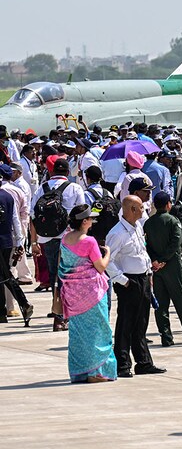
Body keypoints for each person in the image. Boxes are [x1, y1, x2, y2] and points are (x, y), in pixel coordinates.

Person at [106, 195, 166, 377]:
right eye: (141, 208)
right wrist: (122, 280)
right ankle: (122, 364)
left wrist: (148, 274)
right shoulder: (117, 233)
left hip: (143, 279)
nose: (144, 210)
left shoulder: (137, 227)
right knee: (126, 323)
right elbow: (108, 260)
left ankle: (143, 362)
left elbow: (142, 251)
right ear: (131, 210)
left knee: (141, 323)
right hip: (128, 282)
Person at [58, 205, 117, 382]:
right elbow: (100, 267)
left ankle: (81, 371)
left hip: (73, 295)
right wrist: (107, 253)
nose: (92, 221)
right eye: (90, 218)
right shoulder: (89, 241)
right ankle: (96, 372)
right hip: (92, 293)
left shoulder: (65, 239)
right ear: (84, 221)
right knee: (99, 331)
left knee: (78, 334)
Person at [144, 192, 182, 348]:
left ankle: (166, 336)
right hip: (172, 266)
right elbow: (176, 242)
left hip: (156, 268)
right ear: (168, 204)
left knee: (161, 304)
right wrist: (164, 259)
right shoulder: (173, 221)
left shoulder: (148, 223)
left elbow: (146, 245)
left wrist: (155, 261)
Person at [30, 157, 85, 331]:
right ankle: (64, 314)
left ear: (52, 172)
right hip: (69, 238)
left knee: (55, 274)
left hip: (47, 238)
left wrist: (33, 241)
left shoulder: (42, 188)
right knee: (69, 276)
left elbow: (33, 216)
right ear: (68, 173)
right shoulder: (75, 187)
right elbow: (83, 214)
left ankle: (57, 311)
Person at [0, 169, 33, 326]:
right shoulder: (8, 196)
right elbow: (15, 220)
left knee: (5, 275)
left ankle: (23, 302)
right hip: (7, 241)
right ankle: (1, 312)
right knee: (3, 274)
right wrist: (20, 241)